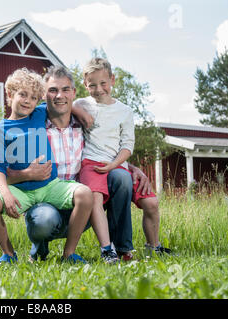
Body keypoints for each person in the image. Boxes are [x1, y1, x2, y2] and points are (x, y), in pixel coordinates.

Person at [0, 68, 93, 265]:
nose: (27, 101)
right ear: (9, 94)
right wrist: (6, 194)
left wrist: (79, 112)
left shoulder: (38, 113)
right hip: (20, 190)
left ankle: (69, 254)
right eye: (22, 95)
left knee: (84, 194)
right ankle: (8, 254)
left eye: (33, 97)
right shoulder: (0, 129)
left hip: (50, 186)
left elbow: (61, 104)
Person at [73, 58, 171, 256]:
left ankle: (154, 247)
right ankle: (109, 249)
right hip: (90, 163)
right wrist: (76, 110)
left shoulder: (124, 111)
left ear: (112, 80)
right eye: (92, 85)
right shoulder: (81, 104)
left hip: (117, 163)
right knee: (96, 198)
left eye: (103, 83)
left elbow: (127, 146)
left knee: (151, 203)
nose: (99, 89)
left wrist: (114, 165)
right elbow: (66, 107)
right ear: (85, 85)